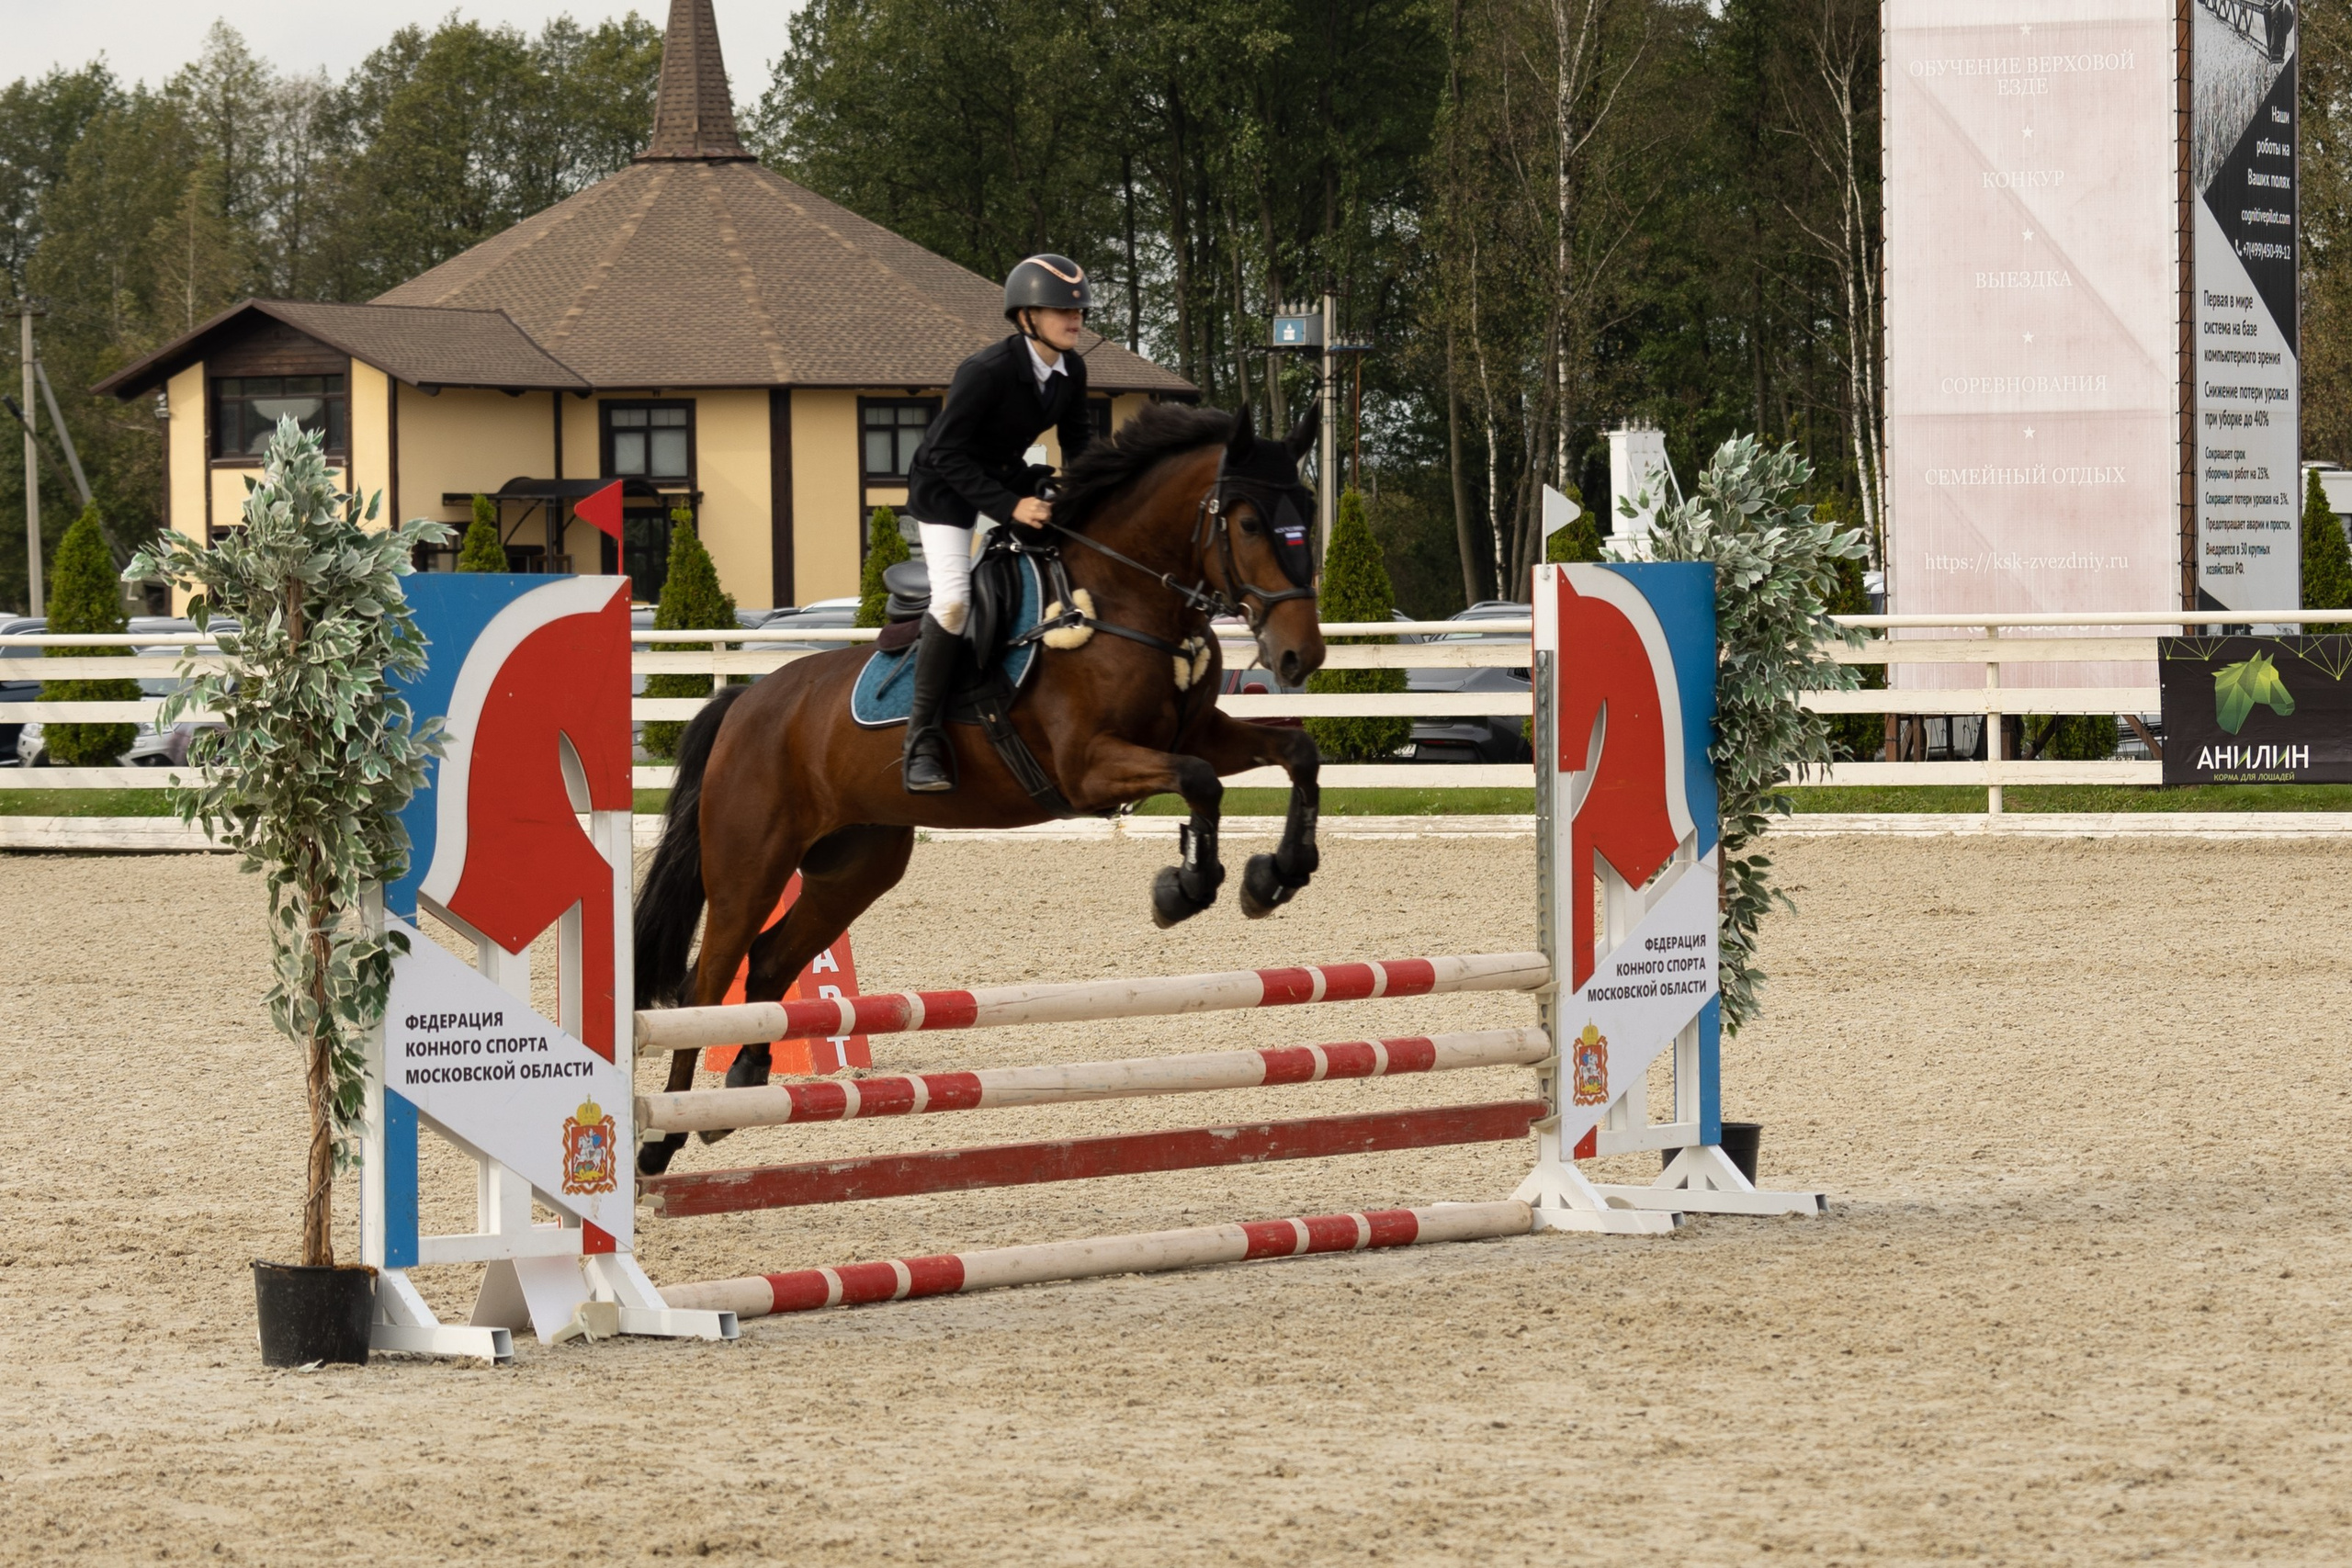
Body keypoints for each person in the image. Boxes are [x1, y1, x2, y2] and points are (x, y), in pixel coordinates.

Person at [897, 254, 1098, 792]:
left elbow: (1080, 443)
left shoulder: (1071, 369)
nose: (1075, 319)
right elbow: (944, 454)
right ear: (1027, 316)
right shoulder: (984, 372)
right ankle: (920, 741)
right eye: (1062, 310)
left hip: (1006, 477)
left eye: (1079, 310)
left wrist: (1091, 495)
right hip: (944, 491)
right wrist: (1010, 507)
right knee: (954, 600)